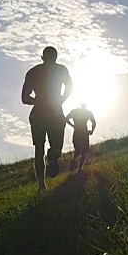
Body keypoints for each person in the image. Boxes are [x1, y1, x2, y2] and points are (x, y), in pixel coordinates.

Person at [21, 46, 73, 192]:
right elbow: (70, 87)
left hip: (38, 113)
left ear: (42, 57)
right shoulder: (61, 69)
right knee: (56, 148)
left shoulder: (33, 72)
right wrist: (61, 99)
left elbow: (25, 98)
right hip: (55, 112)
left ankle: (42, 186)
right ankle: (53, 156)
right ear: (56, 57)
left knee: (39, 149)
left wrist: (38, 101)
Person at [66, 102, 96, 175]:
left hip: (79, 132)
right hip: (83, 133)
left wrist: (73, 125)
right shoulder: (87, 112)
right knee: (82, 152)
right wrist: (91, 131)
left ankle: (77, 165)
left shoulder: (75, 111)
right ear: (85, 105)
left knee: (80, 151)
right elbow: (94, 122)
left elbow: (66, 119)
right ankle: (78, 167)